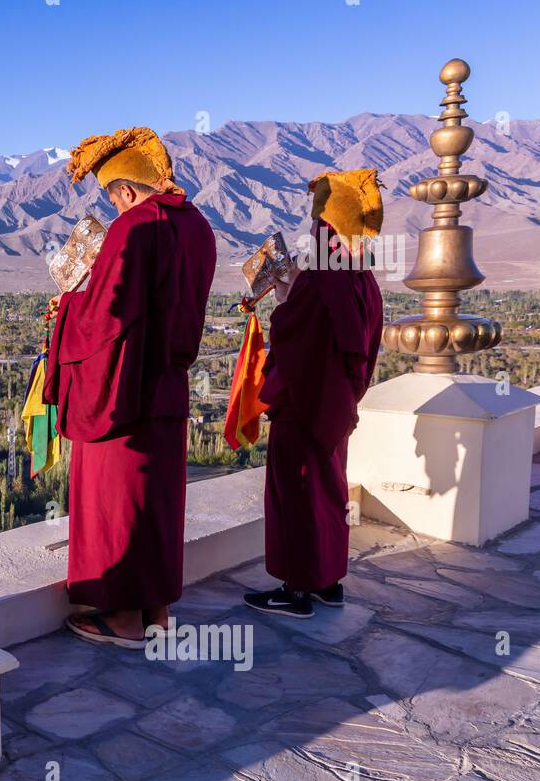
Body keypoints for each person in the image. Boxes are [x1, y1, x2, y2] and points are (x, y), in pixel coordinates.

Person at [44, 127, 216, 647]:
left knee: (117, 501)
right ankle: (157, 613)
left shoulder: (133, 228)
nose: (113, 205)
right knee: (156, 501)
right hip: (169, 386)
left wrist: (67, 307)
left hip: (122, 391)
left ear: (122, 190)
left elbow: (107, 317)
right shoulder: (199, 227)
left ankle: (119, 618)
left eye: (111, 196)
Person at [244, 169, 385, 619]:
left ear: (328, 226)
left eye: (315, 226)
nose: (310, 233)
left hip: (306, 404)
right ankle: (329, 582)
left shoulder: (325, 277)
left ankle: (297, 588)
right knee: (329, 492)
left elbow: (295, 331)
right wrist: (292, 290)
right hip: (337, 405)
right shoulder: (362, 276)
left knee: (298, 491)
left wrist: (283, 301)